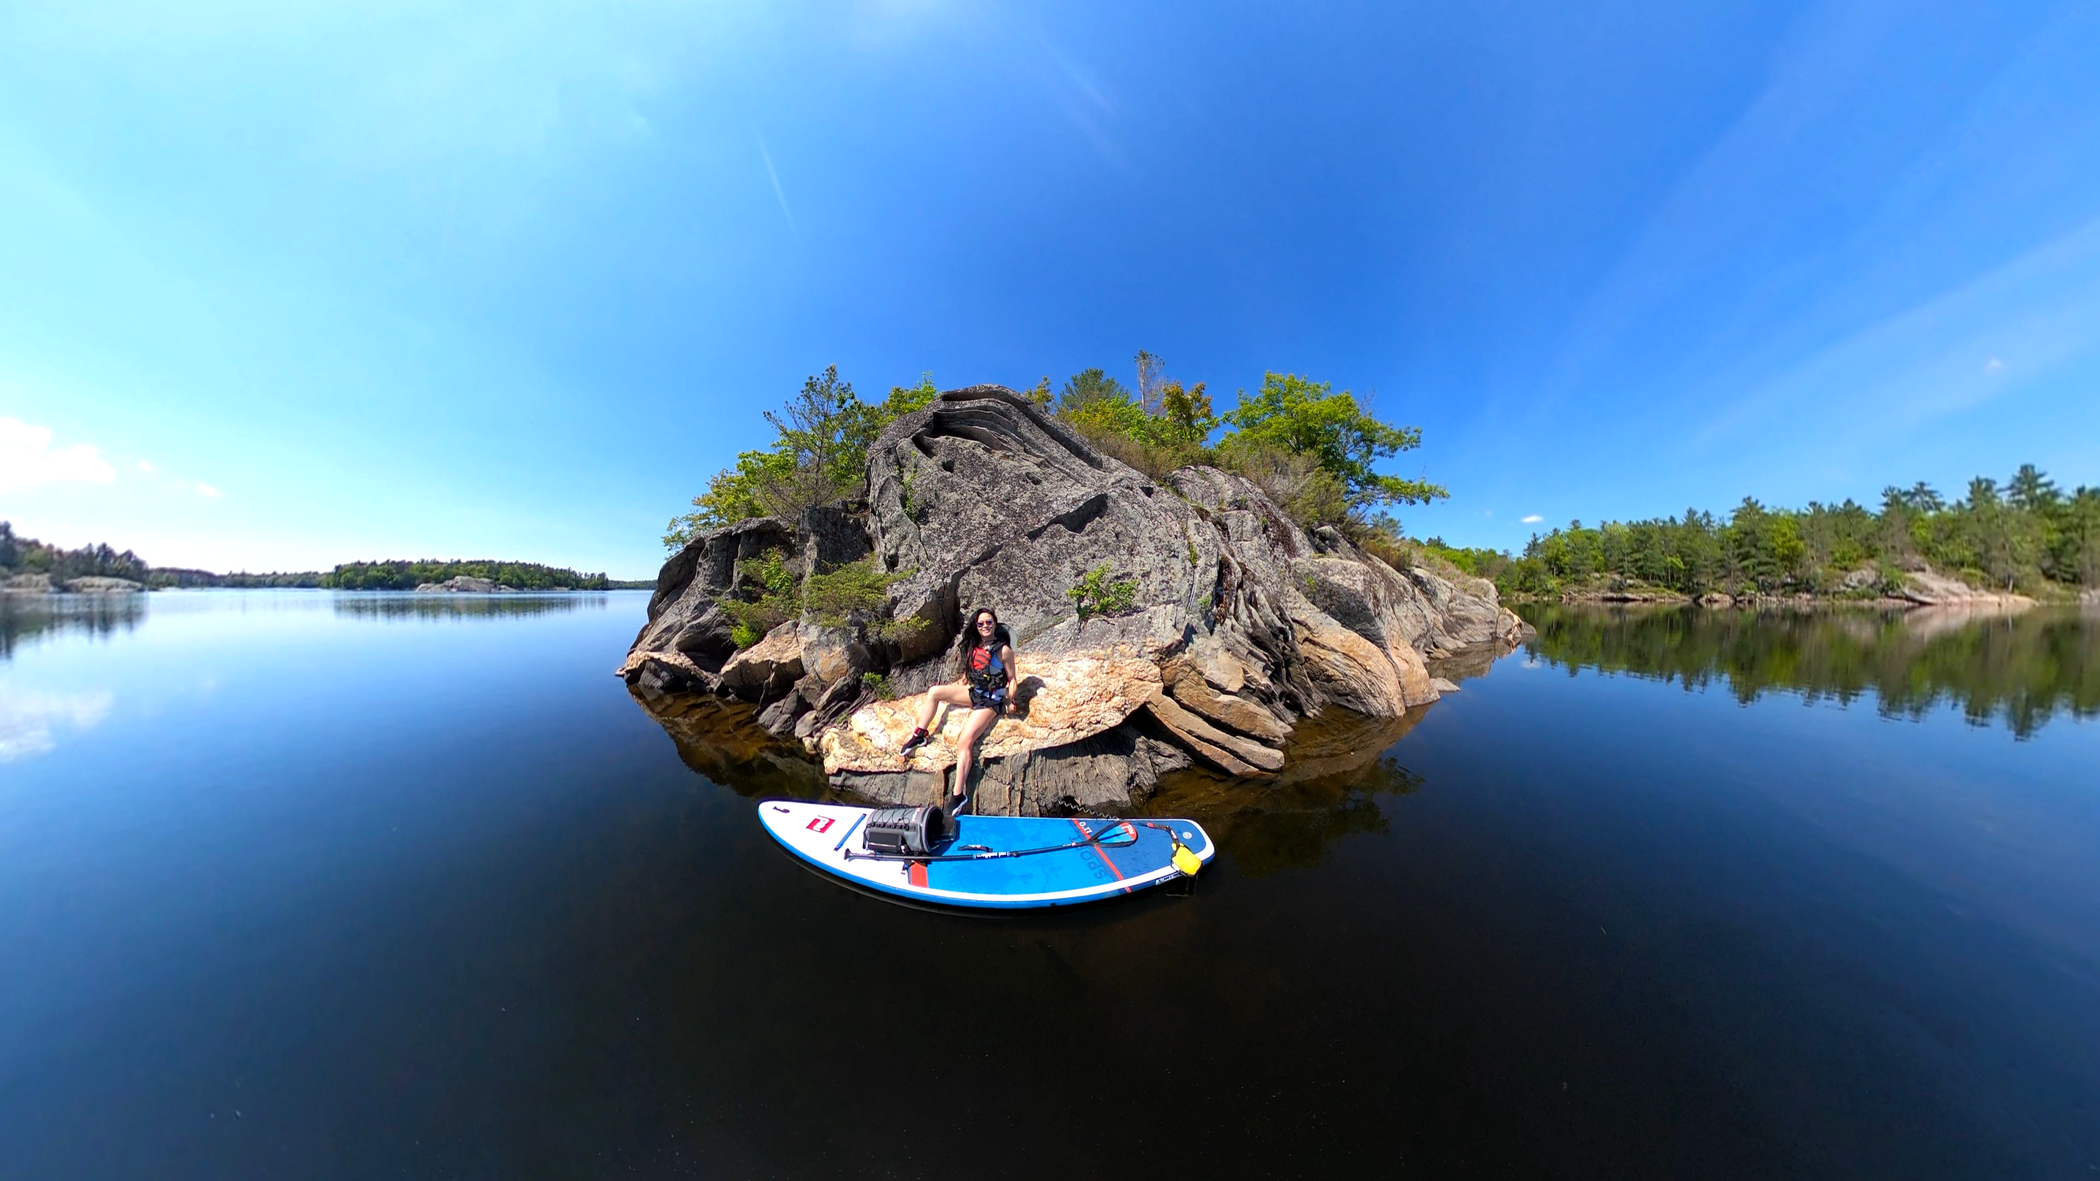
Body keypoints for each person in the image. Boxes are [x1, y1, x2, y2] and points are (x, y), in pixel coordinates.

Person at [898, 606, 1018, 806]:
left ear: (995, 624)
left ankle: (958, 793)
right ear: (976, 626)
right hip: (975, 692)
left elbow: (1012, 679)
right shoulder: (974, 646)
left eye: (989, 622)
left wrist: (1010, 699)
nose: (985, 626)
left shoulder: (1004, 650)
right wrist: (961, 684)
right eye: (981, 624)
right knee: (935, 692)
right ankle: (919, 735)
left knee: (964, 741)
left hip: (991, 700)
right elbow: (972, 672)